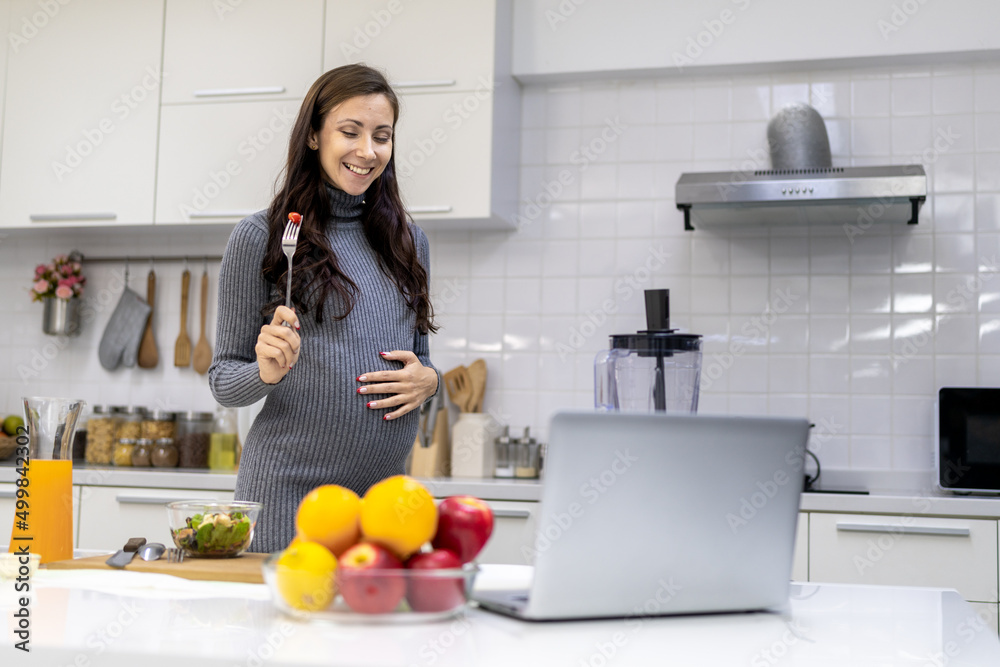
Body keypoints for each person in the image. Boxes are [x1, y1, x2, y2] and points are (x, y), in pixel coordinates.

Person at [209, 64, 440, 553]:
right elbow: (224, 381)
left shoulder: (409, 242)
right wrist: (265, 372)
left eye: (382, 136)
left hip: (384, 504)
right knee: (283, 628)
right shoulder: (261, 237)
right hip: (287, 499)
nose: (367, 151)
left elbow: (419, 361)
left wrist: (430, 382)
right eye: (349, 132)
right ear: (314, 135)